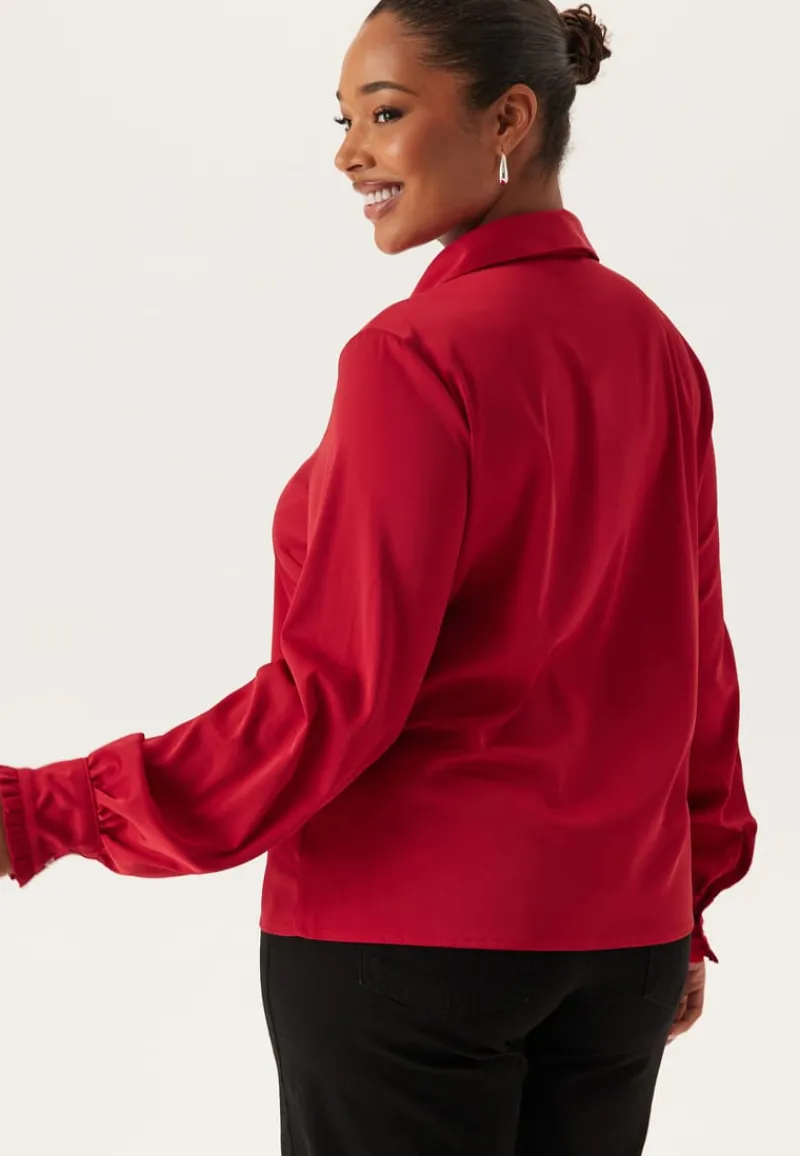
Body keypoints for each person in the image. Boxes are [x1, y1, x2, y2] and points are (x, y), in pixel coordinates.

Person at [0, 2, 756, 1154]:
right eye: (344, 120)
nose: (348, 154)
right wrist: (685, 898)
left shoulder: (413, 358)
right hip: (621, 951)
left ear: (507, 117)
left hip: (403, 952)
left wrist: (42, 809)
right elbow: (693, 657)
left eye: (385, 113)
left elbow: (329, 702)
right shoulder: (655, 347)